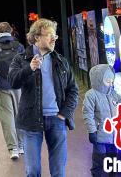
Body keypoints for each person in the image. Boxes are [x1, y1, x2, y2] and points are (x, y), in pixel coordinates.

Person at [9, 19, 79, 177]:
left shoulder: (61, 61)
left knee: (59, 170)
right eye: (49, 35)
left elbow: (73, 90)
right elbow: (13, 81)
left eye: (55, 36)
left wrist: (64, 114)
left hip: (57, 119)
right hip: (31, 120)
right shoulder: (21, 59)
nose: (54, 39)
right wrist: (29, 68)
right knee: (32, 170)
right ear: (36, 37)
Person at [83, 64, 121, 177]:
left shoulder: (112, 94)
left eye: (112, 82)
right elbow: (88, 114)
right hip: (99, 136)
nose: (110, 84)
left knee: (113, 162)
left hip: (113, 136)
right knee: (99, 162)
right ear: (99, 80)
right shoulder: (91, 95)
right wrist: (92, 131)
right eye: (108, 82)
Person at [0, 22, 25, 160]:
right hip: (18, 84)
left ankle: (13, 148)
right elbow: (24, 64)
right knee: (19, 115)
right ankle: (21, 145)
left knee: (6, 118)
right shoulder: (18, 45)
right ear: (11, 31)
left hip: (1, 86)